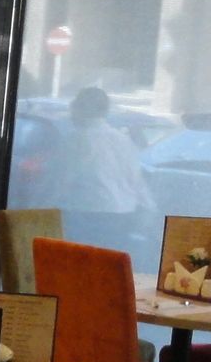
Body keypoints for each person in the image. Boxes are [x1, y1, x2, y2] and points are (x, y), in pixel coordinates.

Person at [53, 85, 154, 254]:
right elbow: (136, 180)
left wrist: (37, 208)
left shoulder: (75, 140)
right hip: (122, 214)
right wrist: (148, 208)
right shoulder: (122, 140)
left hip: (86, 214)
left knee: (80, 263)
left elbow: (60, 181)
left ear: (79, 108)